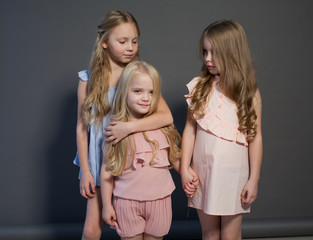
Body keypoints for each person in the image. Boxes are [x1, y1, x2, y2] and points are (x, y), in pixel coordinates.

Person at [74, 11, 174, 240]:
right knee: (91, 227)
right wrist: (86, 171)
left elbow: (166, 116)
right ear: (104, 42)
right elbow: (82, 128)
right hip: (100, 160)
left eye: (135, 41)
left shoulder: (135, 76)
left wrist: (126, 129)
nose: (130, 47)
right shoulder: (88, 80)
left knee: (132, 224)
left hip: (128, 160)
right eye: (123, 41)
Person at [180, 20, 263, 240]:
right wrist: (184, 167)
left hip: (233, 175)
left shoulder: (248, 94)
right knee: (209, 234)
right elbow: (190, 130)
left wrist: (253, 179)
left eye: (214, 53)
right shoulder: (200, 88)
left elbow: (255, 138)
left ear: (232, 53)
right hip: (203, 172)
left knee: (230, 235)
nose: (207, 58)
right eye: (205, 51)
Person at [100, 61, 197, 240]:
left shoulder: (161, 126)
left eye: (151, 92)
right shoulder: (116, 132)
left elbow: (173, 157)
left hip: (159, 201)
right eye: (138, 91)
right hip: (126, 202)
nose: (146, 98)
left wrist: (186, 172)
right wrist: (107, 205)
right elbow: (107, 172)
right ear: (124, 92)